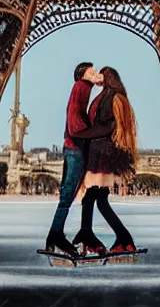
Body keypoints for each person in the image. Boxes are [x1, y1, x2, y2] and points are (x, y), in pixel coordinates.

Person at [73, 66, 138, 255]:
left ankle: (93, 235)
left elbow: (108, 125)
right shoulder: (115, 97)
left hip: (101, 152)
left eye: (102, 74)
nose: (98, 77)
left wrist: (84, 134)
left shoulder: (113, 98)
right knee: (98, 199)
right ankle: (120, 238)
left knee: (94, 197)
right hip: (103, 152)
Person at [45, 62, 107, 257]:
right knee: (68, 194)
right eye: (91, 70)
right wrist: (89, 134)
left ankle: (55, 235)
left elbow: (74, 116)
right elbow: (74, 119)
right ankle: (55, 235)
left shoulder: (83, 88)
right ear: (83, 74)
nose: (95, 73)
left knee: (68, 194)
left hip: (73, 146)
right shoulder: (80, 87)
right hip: (76, 147)